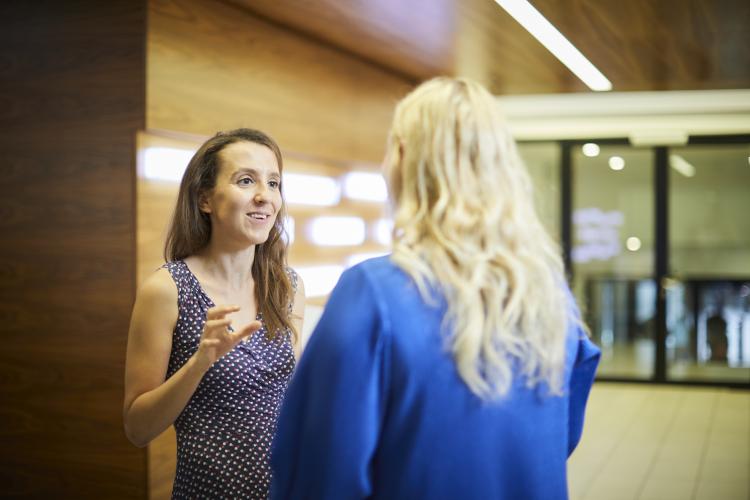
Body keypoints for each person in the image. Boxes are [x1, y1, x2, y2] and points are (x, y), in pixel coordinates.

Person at [270, 77, 600, 500]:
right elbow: (561, 437)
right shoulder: (547, 293)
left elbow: (318, 475)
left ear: (405, 158)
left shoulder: (373, 294)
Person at [123, 128, 305, 499]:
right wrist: (201, 361)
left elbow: (289, 398)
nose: (264, 197)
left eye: (273, 183)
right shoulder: (167, 289)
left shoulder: (288, 286)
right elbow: (137, 428)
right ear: (205, 199)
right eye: (245, 180)